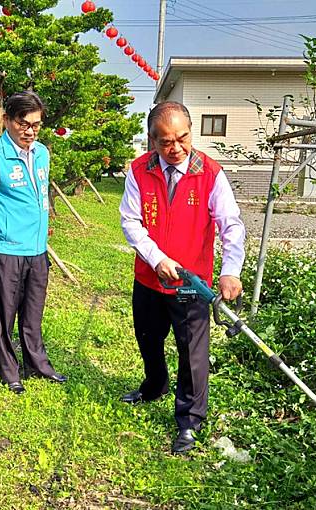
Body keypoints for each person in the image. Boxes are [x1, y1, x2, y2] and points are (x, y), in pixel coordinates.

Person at [119, 101, 245, 454]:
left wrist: (230, 270)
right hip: (149, 276)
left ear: (192, 132)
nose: (175, 149)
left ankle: (189, 421)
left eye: (182, 138)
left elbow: (230, 225)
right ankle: (154, 385)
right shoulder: (139, 170)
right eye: (165, 142)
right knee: (147, 337)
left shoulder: (210, 173)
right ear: (152, 140)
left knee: (192, 353)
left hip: (192, 284)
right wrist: (157, 258)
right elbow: (131, 221)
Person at [0, 91, 66, 395]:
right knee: (5, 314)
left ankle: (37, 364)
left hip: (37, 251)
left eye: (36, 125)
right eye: (24, 124)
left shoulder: (42, 153)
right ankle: (9, 372)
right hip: (6, 250)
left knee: (33, 313)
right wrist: (1, 231)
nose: (30, 131)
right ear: (8, 121)